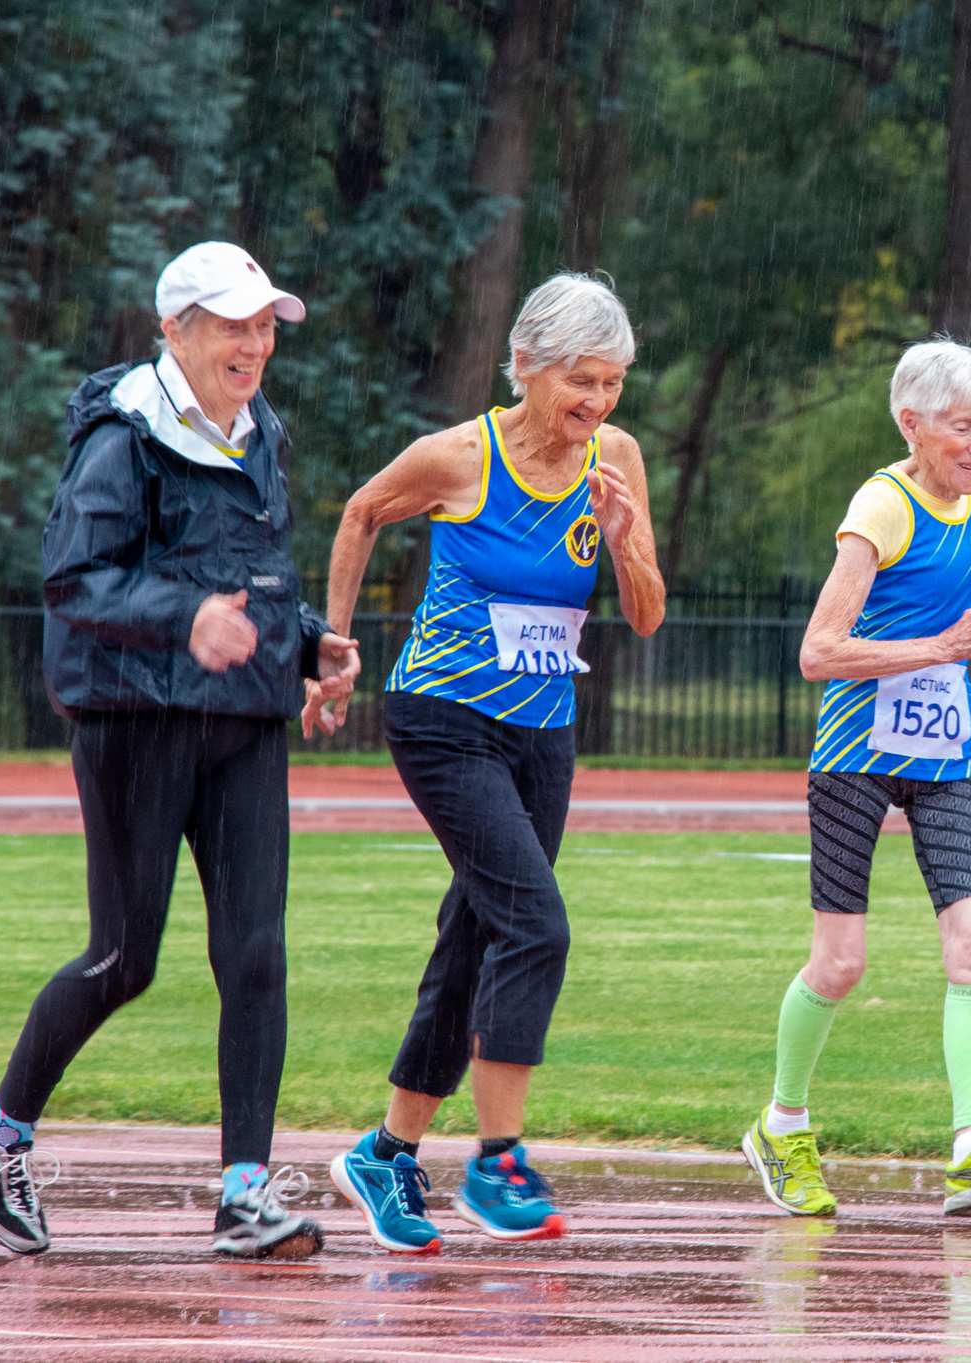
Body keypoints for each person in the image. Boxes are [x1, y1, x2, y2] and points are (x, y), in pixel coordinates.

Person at [0, 241, 362, 1259]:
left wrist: (308, 642)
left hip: (242, 723)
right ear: (173, 327)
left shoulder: (260, 427)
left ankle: (242, 1191)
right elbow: (74, 581)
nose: (256, 342)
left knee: (256, 954)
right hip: (135, 722)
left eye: (267, 324)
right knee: (123, 959)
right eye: (234, 323)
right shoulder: (122, 436)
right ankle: (0, 1128)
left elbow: (246, 575)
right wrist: (183, 619)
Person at [308, 273, 665, 1254]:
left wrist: (627, 542)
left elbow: (644, 614)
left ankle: (385, 1153)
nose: (595, 402)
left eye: (613, 384)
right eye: (578, 381)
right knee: (536, 924)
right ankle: (498, 1159)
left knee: (475, 936)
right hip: (443, 718)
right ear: (524, 366)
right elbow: (359, 513)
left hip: (541, 733)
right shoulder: (459, 456)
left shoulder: (616, 461)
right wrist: (332, 653)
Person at [740, 338, 971, 1221]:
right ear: (911, 424)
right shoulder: (880, 505)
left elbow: (945, 620)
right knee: (840, 964)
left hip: (945, 754)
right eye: (962, 427)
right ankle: (782, 1125)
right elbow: (818, 652)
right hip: (855, 758)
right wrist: (939, 647)